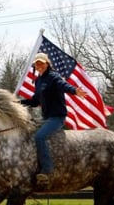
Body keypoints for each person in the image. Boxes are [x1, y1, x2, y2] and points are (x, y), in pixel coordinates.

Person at [20, 52, 88, 187]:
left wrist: (75, 91)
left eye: (41, 63)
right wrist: (18, 102)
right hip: (45, 118)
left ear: (47, 64)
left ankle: (47, 170)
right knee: (27, 133)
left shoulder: (54, 77)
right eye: (37, 64)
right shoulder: (38, 80)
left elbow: (63, 86)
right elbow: (35, 101)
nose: (39, 66)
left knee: (39, 137)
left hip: (57, 118)